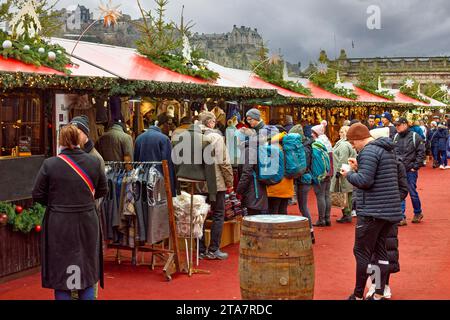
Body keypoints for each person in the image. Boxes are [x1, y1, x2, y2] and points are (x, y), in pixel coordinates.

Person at [32, 124, 108, 300]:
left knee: (62, 273)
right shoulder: (95, 162)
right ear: (79, 139)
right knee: (87, 271)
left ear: (62, 140)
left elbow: (37, 194)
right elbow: (103, 190)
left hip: (59, 222)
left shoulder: (50, 164)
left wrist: (57, 204)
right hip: (87, 221)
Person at [341, 123, 403, 300]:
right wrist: (358, 168)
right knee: (380, 251)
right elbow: (377, 177)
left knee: (361, 252)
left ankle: (358, 294)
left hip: (372, 211)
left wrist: (349, 174)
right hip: (388, 210)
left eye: (353, 142)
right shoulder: (387, 150)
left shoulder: (368, 151)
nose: (353, 146)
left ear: (360, 139)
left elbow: (365, 181)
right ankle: (378, 293)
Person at [365, 125, 409, 300]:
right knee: (379, 250)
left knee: (385, 250)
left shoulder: (395, 162)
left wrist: (386, 200)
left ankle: (383, 285)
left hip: (385, 212)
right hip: (383, 211)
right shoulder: (393, 160)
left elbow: (403, 189)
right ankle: (376, 285)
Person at [197, 112, 234, 260]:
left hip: (198, 182)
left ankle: (199, 249)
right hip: (216, 181)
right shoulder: (216, 137)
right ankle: (213, 249)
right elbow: (223, 162)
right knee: (218, 213)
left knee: (200, 215)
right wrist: (229, 181)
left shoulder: (193, 136)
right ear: (210, 122)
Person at [393, 117, 426, 226]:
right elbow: (393, 151)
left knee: (412, 192)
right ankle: (401, 217)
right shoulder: (396, 137)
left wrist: (415, 167)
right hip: (399, 169)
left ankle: (418, 212)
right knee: (400, 193)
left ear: (405, 124)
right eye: (396, 125)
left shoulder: (414, 136)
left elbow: (421, 152)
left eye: (398, 125)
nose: (396, 127)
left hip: (410, 170)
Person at [134, 121, 177, 196]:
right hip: (159, 178)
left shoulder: (139, 138)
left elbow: (135, 161)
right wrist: (171, 189)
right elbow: (168, 164)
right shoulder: (164, 139)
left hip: (142, 177)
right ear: (163, 125)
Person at [290, 124, 315, 243]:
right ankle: (310, 232)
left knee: (303, 207)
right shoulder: (308, 146)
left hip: (303, 179)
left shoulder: (303, 149)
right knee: (303, 207)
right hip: (306, 178)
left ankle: (310, 232)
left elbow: (303, 166)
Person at [236, 127, 269, 215]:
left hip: (253, 192)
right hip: (257, 190)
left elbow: (247, 172)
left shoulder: (249, 150)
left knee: (254, 220)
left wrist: (239, 190)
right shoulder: (254, 147)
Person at [266, 128, 295, 215]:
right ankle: (284, 228)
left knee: (273, 212)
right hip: (288, 185)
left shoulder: (272, 148)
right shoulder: (287, 147)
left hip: (275, 186)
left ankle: (274, 229)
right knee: (283, 211)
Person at [331, 125, 357, 223]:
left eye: (342, 132)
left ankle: (347, 214)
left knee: (344, 193)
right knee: (347, 193)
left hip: (344, 172)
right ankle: (347, 213)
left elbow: (342, 159)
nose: (340, 133)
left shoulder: (343, 145)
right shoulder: (347, 143)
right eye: (340, 131)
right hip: (348, 170)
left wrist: (338, 171)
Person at [311, 121, 333, 227]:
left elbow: (315, 160)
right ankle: (327, 218)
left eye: (313, 132)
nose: (311, 134)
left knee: (320, 195)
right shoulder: (327, 141)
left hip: (320, 172)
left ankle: (321, 219)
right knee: (326, 195)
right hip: (329, 171)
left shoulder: (316, 144)